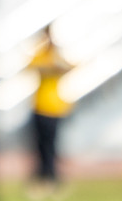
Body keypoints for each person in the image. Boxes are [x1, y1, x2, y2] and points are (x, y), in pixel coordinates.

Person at [28, 24, 72, 195]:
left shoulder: (57, 55)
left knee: (52, 146)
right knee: (40, 145)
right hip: (39, 107)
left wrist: (54, 59)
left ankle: (52, 178)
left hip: (54, 108)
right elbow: (33, 68)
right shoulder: (40, 55)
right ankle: (42, 178)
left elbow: (68, 67)